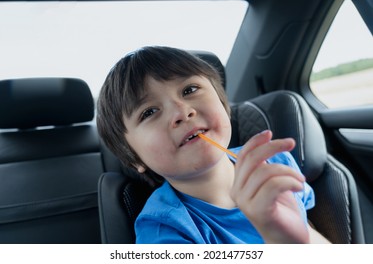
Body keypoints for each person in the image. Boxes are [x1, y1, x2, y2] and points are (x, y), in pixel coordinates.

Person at [96, 46, 330, 244]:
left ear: (223, 104)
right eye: (149, 112)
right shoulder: (165, 232)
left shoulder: (274, 164)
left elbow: (311, 234)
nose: (182, 112)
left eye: (189, 90)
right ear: (134, 159)